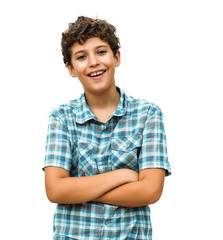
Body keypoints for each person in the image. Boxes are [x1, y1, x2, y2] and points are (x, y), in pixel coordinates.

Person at [43, 16, 171, 240]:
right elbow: (55, 190)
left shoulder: (148, 114)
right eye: (82, 57)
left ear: (116, 57)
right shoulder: (61, 118)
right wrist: (123, 175)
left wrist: (79, 191)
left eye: (101, 52)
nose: (93, 62)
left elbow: (150, 191)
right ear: (71, 69)